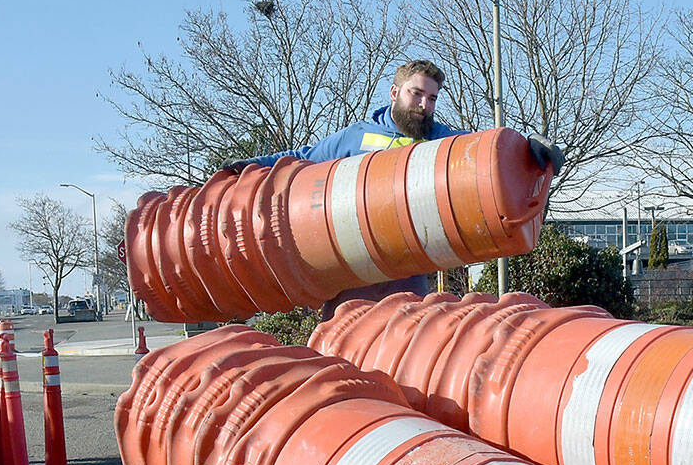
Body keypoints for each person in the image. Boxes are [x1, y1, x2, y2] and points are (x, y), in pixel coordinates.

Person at [223, 59, 564, 319]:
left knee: (406, 341)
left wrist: (528, 149)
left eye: (432, 98)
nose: (424, 105)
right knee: (342, 338)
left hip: (406, 268)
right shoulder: (357, 136)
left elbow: (482, 156)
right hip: (351, 267)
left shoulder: (440, 139)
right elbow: (303, 157)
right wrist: (251, 165)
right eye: (417, 94)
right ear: (395, 92)